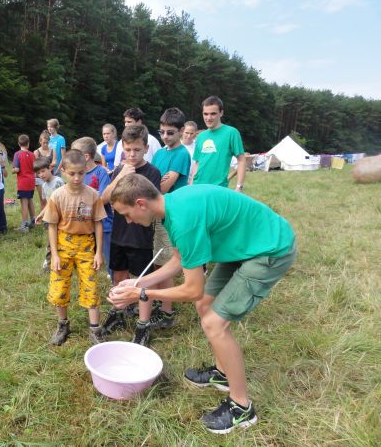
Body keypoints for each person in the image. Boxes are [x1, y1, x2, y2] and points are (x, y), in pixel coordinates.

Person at [107, 174, 297, 434]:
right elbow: (179, 260)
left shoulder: (182, 219)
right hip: (241, 245)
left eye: (126, 214)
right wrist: (138, 284)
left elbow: (193, 289)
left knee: (214, 324)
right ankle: (221, 373)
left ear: (140, 203)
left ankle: (242, 407)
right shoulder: (171, 207)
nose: (128, 221)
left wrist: (142, 295)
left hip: (270, 249)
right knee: (205, 306)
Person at [99, 124, 161, 341]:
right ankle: (118, 312)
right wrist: (121, 175)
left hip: (141, 236)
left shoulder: (152, 172)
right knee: (118, 274)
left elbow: (144, 203)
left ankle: (143, 324)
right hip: (118, 233)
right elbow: (104, 198)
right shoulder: (119, 170)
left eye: (136, 149)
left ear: (145, 148)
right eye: (127, 150)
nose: (132, 155)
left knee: (144, 279)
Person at [42, 149, 107, 346]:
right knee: (59, 285)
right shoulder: (57, 196)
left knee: (91, 286)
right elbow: (52, 226)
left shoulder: (93, 195)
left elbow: (98, 223)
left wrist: (98, 252)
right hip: (63, 244)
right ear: (63, 171)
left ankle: (95, 329)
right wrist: (54, 255)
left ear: (87, 169)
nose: (77, 178)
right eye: (72, 173)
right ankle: (63, 324)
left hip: (86, 245)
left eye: (81, 173)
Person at [140, 107, 191, 340]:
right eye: (162, 132)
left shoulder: (181, 155)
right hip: (156, 213)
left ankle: (167, 311)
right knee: (157, 263)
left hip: (170, 215)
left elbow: (162, 186)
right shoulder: (160, 152)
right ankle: (161, 304)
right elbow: (152, 179)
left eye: (171, 133)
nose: (166, 137)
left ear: (181, 131)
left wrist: (151, 184)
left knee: (166, 262)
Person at [70, 136, 113, 279]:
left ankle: (112, 274)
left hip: (103, 222)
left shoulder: (101, 172)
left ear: (86, 156)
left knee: (108, 251)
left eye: (75, 154)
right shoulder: (77, 175)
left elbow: (103, 198)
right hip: (83, 223)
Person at [190, 96, 246, 191]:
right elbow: (197, 163)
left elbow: (241, 160)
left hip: (218, 188)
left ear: (221, 113)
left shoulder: (231, 133)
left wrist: (239, 187)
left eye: (213, 114)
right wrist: (191, 185)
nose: (208, 118)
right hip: (197, 187)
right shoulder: (200, 136)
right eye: (205, 114)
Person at [33, 157, 64, 271]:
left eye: (43, 171)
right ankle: (49, 262)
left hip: (62, 219)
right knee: (52, 241)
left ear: (50, 168)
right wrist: (41, 214)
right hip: (51, 219)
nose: (41, 175)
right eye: (38, 173)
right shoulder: (44, 186)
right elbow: (48, 203)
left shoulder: (58, 182)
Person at [12, 134, 36, 232]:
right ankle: (33, 221)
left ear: (18, 143)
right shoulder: (32, 154)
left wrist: (12, 170)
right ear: (28, 144)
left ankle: (24, 225)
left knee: (24, 203)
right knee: (30, 201)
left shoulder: (17, 154)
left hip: (23, 182)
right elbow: (35, 167)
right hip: (31, 181)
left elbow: (17, 169)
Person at [33, 130, 54, 210]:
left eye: (47, 143)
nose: (45, 144)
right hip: (40, 178)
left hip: (50, 176)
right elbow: (37, 165)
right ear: (40, 142)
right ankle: (43, 217)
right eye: (43, 142)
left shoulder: (52, 150)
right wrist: (49, 165)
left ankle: (50, 215)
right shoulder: (36, 152)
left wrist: (51, 165)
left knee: (51, 198)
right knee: (43, 199)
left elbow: (54, 162)